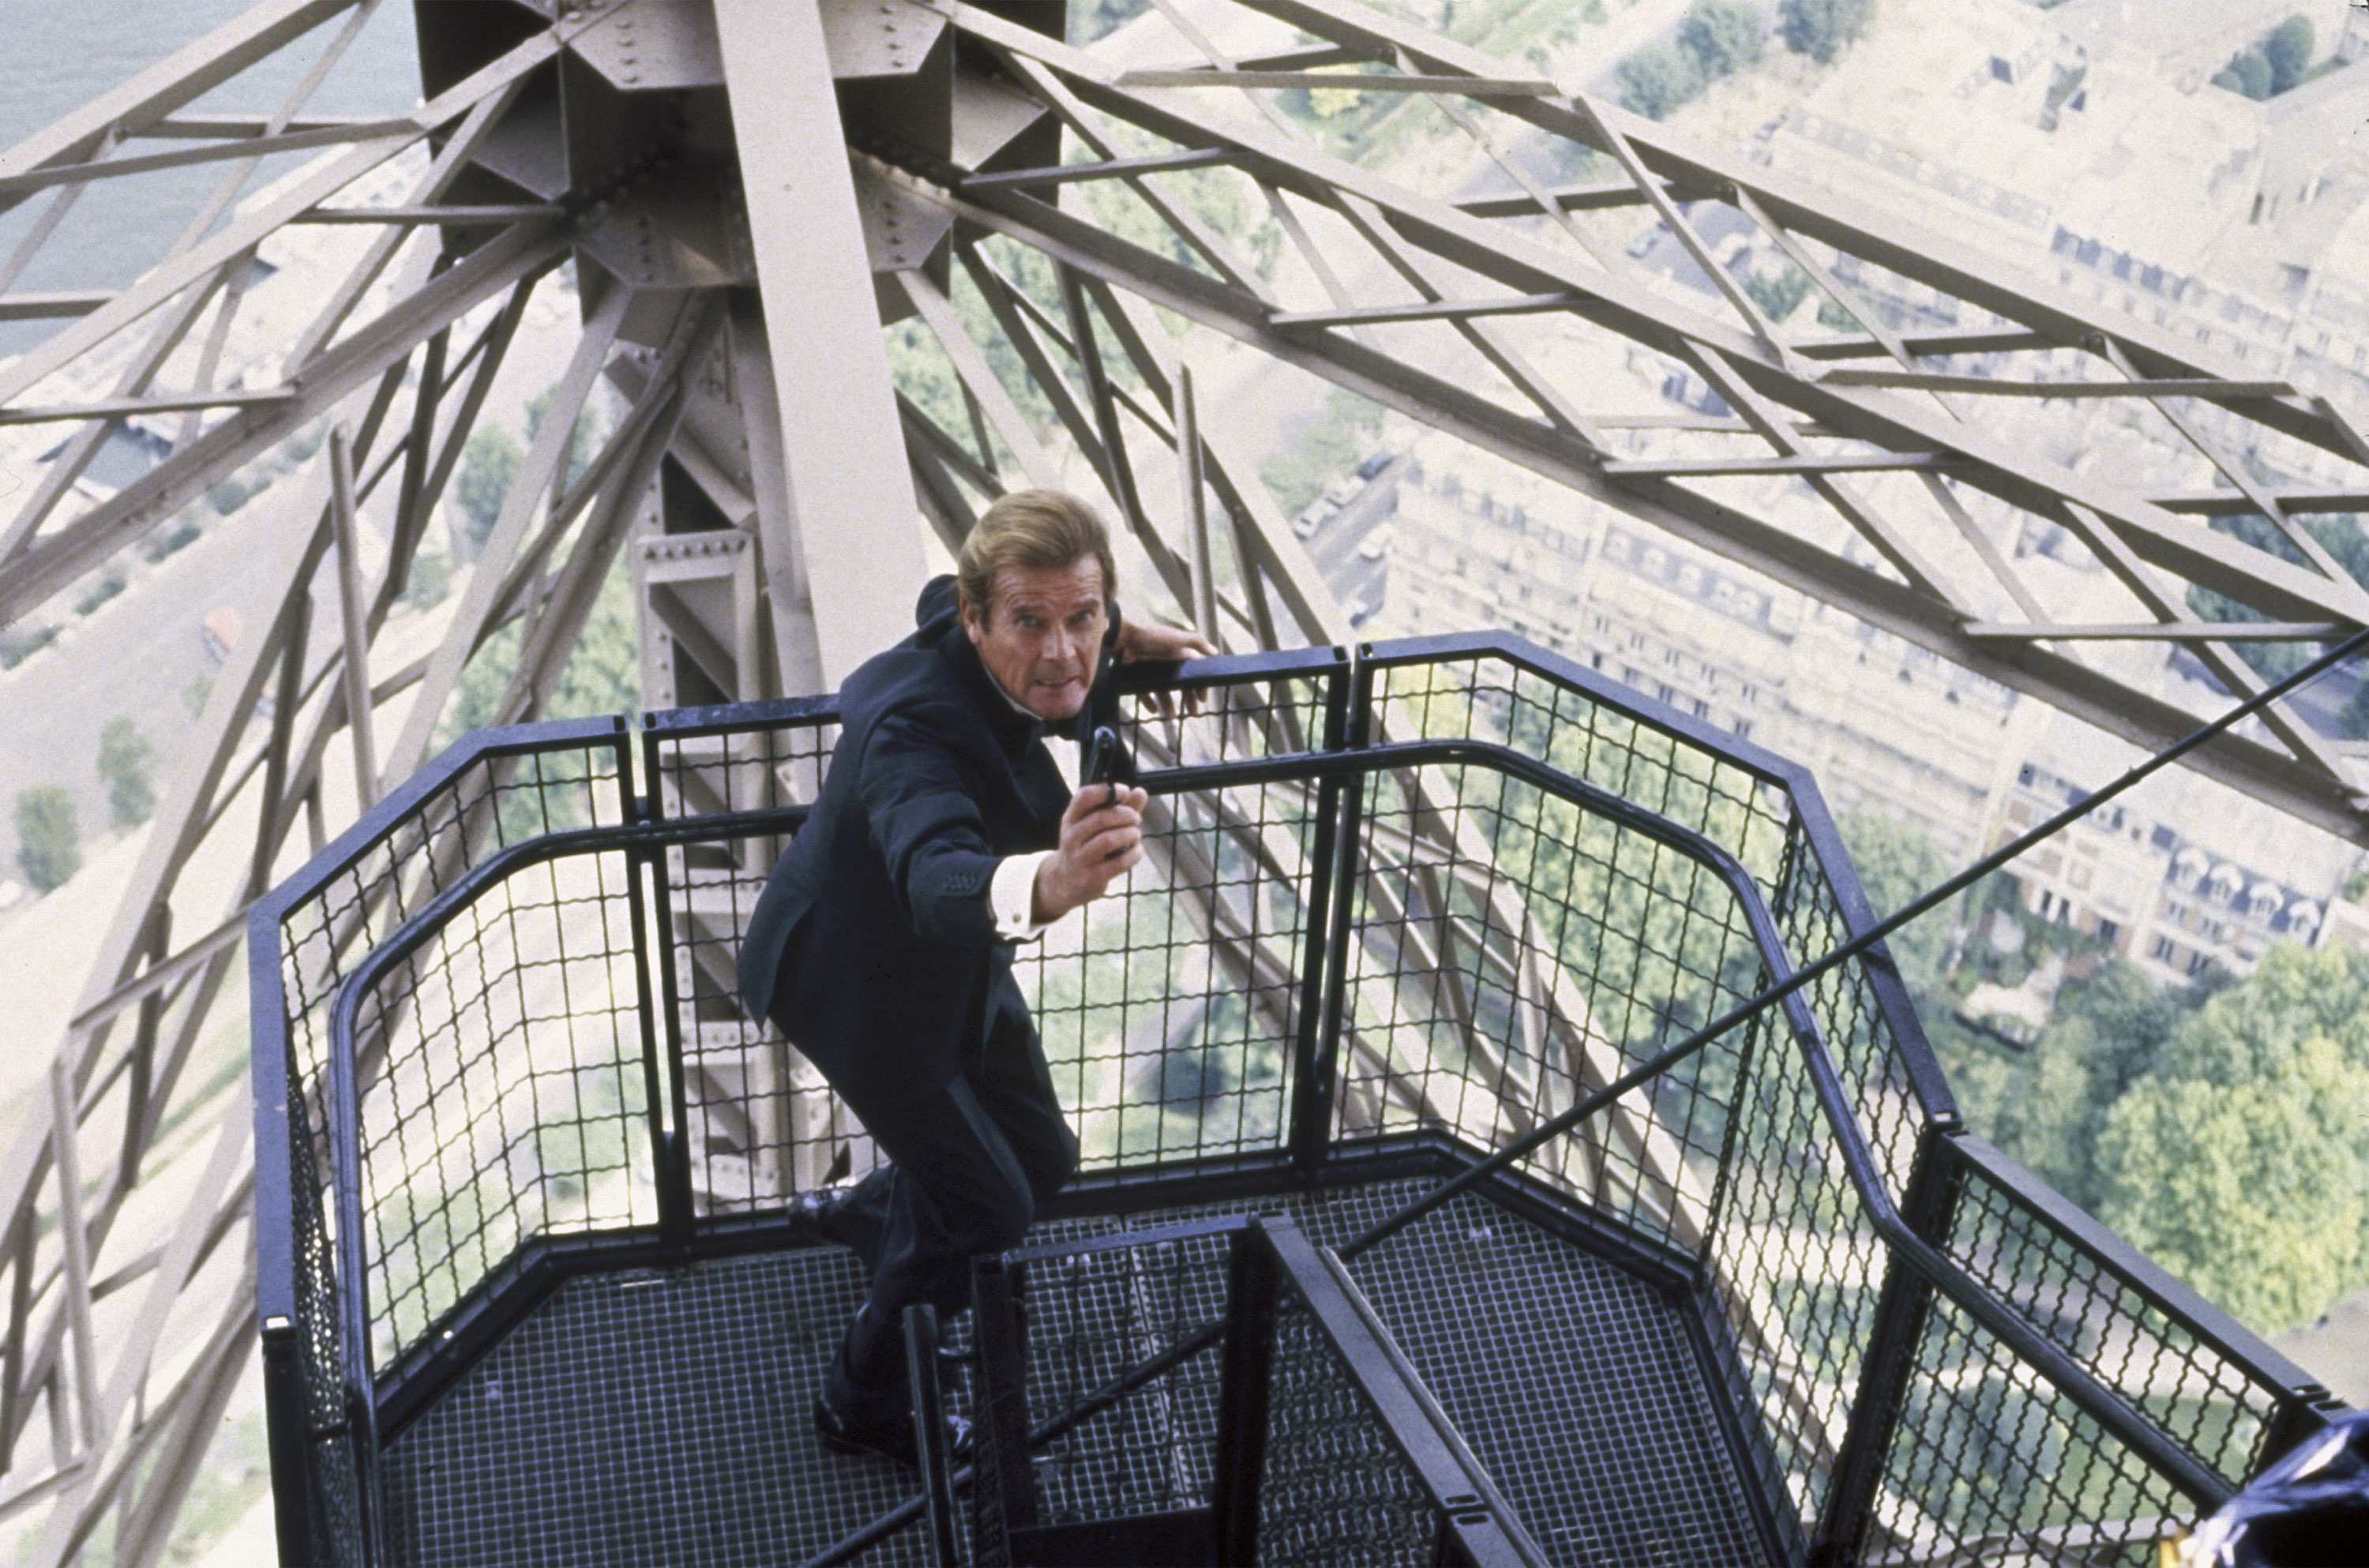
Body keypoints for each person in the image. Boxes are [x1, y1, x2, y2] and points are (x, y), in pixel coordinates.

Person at [734, 489, 1214, 1464]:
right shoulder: (909, 729)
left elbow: (998, 605)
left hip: (949, 969)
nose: (1062, 654)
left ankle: (868, 1215)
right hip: (860, 986)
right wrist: (1056, 878)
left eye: (1083, 618)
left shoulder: (975, 621)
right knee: (993, 1204)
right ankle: (858, 1402)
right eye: (1030, 624)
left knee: (1042, 1163)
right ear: (975, 618)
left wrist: (1125, 636)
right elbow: (935, 874)